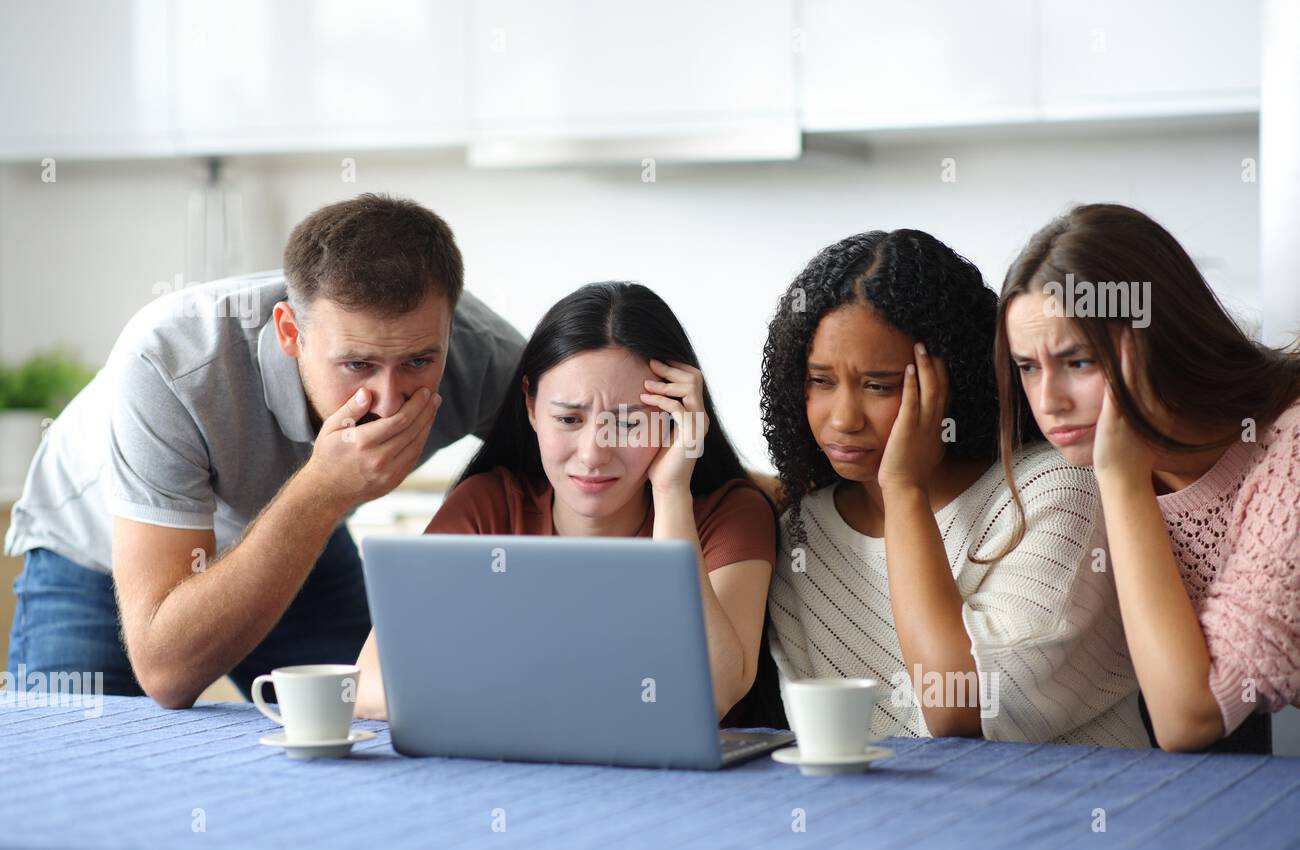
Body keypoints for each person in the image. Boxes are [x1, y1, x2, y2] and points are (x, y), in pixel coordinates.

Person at [5, 193, 524, 708]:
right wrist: (323, 489)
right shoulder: (172, 361)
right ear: (289, 332)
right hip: (97, 556)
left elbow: (575, 474)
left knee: (389, 716)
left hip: (302, 537)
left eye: (417, 362)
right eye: (357, 365)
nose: (387, 401)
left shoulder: (483, 354)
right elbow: (167, 673)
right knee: (75, 757)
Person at [761, 230, 1149, 747]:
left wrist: (902, 491)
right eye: (820, 381)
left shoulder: (1056, 493)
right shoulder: (804, 534)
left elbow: (958, 711)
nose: (844, 419)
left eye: (879, 385)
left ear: (953, 379)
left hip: (1080, 813)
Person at [354, 281, 776, 723]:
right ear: (532, 408)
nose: (593, 453)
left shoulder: (730, 514)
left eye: (629, 423)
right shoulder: (490, 504)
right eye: (569, 419)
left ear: (676, 420)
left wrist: (672, 494)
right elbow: (370, 683)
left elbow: (710, 692)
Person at [998, 202, 1300, 752]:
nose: (1049, 402)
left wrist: (1120, 481)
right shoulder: (1095, 457)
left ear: (1160, 340)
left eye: (1080, 361)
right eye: (1028, 367)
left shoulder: (1289, 450)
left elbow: (1189, 719)